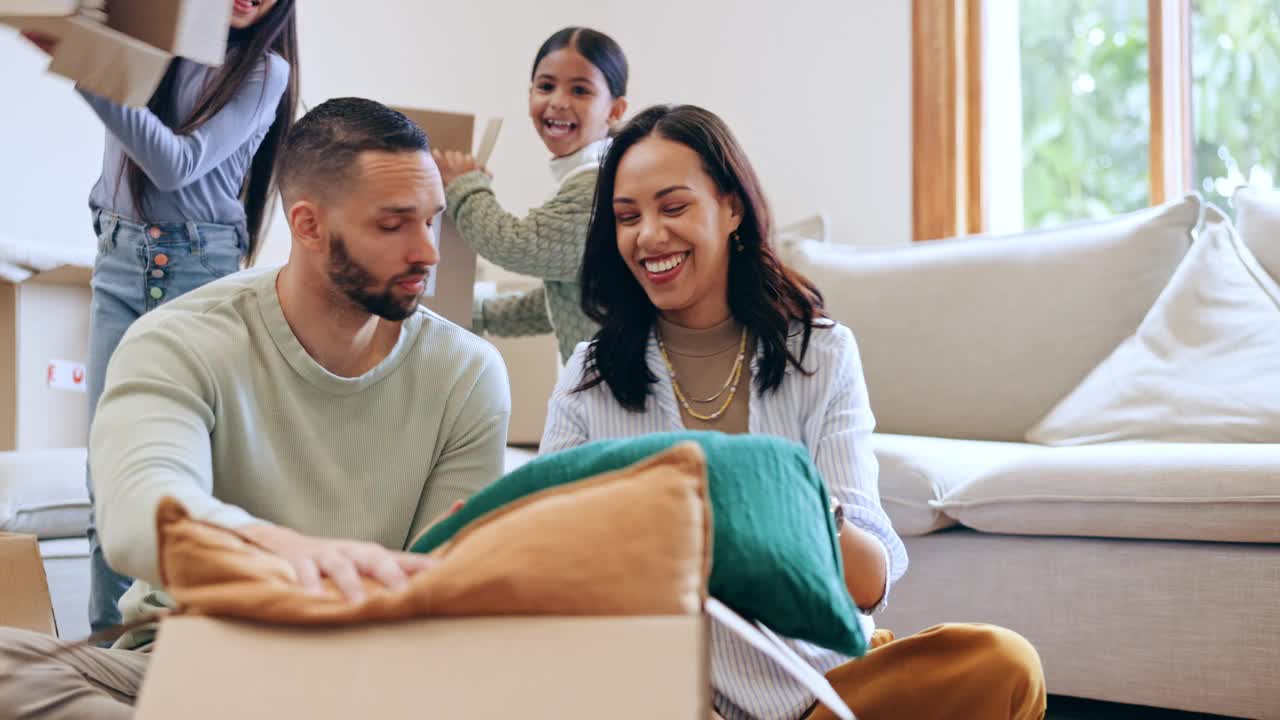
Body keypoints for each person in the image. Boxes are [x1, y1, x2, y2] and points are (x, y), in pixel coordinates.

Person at [0, 97, 511, 720]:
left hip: (357, 678)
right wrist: (272, 548)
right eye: (393, 224)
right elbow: (138, 513)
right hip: (178, 660)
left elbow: (440, 588)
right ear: (308, 224)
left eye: (432, 221)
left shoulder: (468, 374)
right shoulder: (180, 339)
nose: (427, 252)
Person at [540, 104, 1046, 720]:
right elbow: (545, 564)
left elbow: (868, 584)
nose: (649, 235)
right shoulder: (590, 375)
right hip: (672, 696)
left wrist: (800, 504)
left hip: (830, 691)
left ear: (730, 209)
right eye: (627, 217)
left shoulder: (822, 353)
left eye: (673, 207)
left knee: (1002, 664)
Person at [24, 0, 300, 633]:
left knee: (181, 478)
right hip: (120, 260)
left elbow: (176, 164)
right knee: (107, 475)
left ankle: (165, 648)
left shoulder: (265, 72)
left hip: (198, 270)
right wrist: (87, 47)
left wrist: (85, 69)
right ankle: (106, 649)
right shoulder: (156, 41)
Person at [433, 26, 628, 362]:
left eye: (580, 90)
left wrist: (463, 186)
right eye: (546, 86)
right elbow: (562, 299)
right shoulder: (588, 175)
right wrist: (477, 312)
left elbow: (518, 244)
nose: (558, 102)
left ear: (615, 111)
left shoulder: (597, 185)